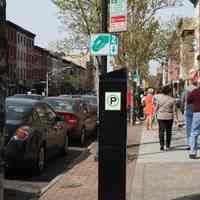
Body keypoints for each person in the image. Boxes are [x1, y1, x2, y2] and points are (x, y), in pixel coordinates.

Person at [154, 85, 178, 151]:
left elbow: (156, 108)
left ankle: (161, 145)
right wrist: (176, 119)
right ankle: (167, 145)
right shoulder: (172, 99)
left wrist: (154, 114)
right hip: (169, 117)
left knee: (161, 131)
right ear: (169, 92)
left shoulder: (159, 98)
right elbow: (174, 110)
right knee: (168, 131)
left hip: (160, 116)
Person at [181, 68, 198, 150]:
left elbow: (182, 100)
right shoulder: (197, 90)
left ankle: (189, 144)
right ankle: (193, 143)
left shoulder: (186, 90)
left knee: (189, 128)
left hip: (188, 110)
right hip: (196, 110)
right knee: (195, 128)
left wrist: (181, 109)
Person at [187, 77, 200, 159]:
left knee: (194, 132)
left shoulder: (195, 92)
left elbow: (188, 101)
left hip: (197, 113)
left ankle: (193, 152)